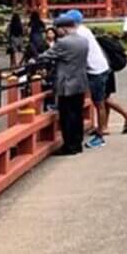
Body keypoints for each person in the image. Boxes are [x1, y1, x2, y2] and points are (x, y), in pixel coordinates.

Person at [39, 16, 89, 156]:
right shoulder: (83, 40)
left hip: (67, 84)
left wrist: (37, 57)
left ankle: (69, 146)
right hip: (80, 81)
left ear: (63, 28)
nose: (56, 32)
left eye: (57, 29)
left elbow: (47, 55)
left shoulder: (63, 42)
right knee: (77, 114)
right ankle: (77, 144)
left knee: (67, 115)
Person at [63, 9, 111, 149]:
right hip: (96, 69)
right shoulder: (82, 30)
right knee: (99, 101)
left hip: (96, 70)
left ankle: (100, 135)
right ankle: (99, 130)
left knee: (99, 103)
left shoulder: (80, 34)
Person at [96, 33, 127, 135]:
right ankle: (104, 125)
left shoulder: (95, 43)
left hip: (101, 72)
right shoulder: (103, 41)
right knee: (106, 98)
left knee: (104, 99)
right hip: (109, 71)